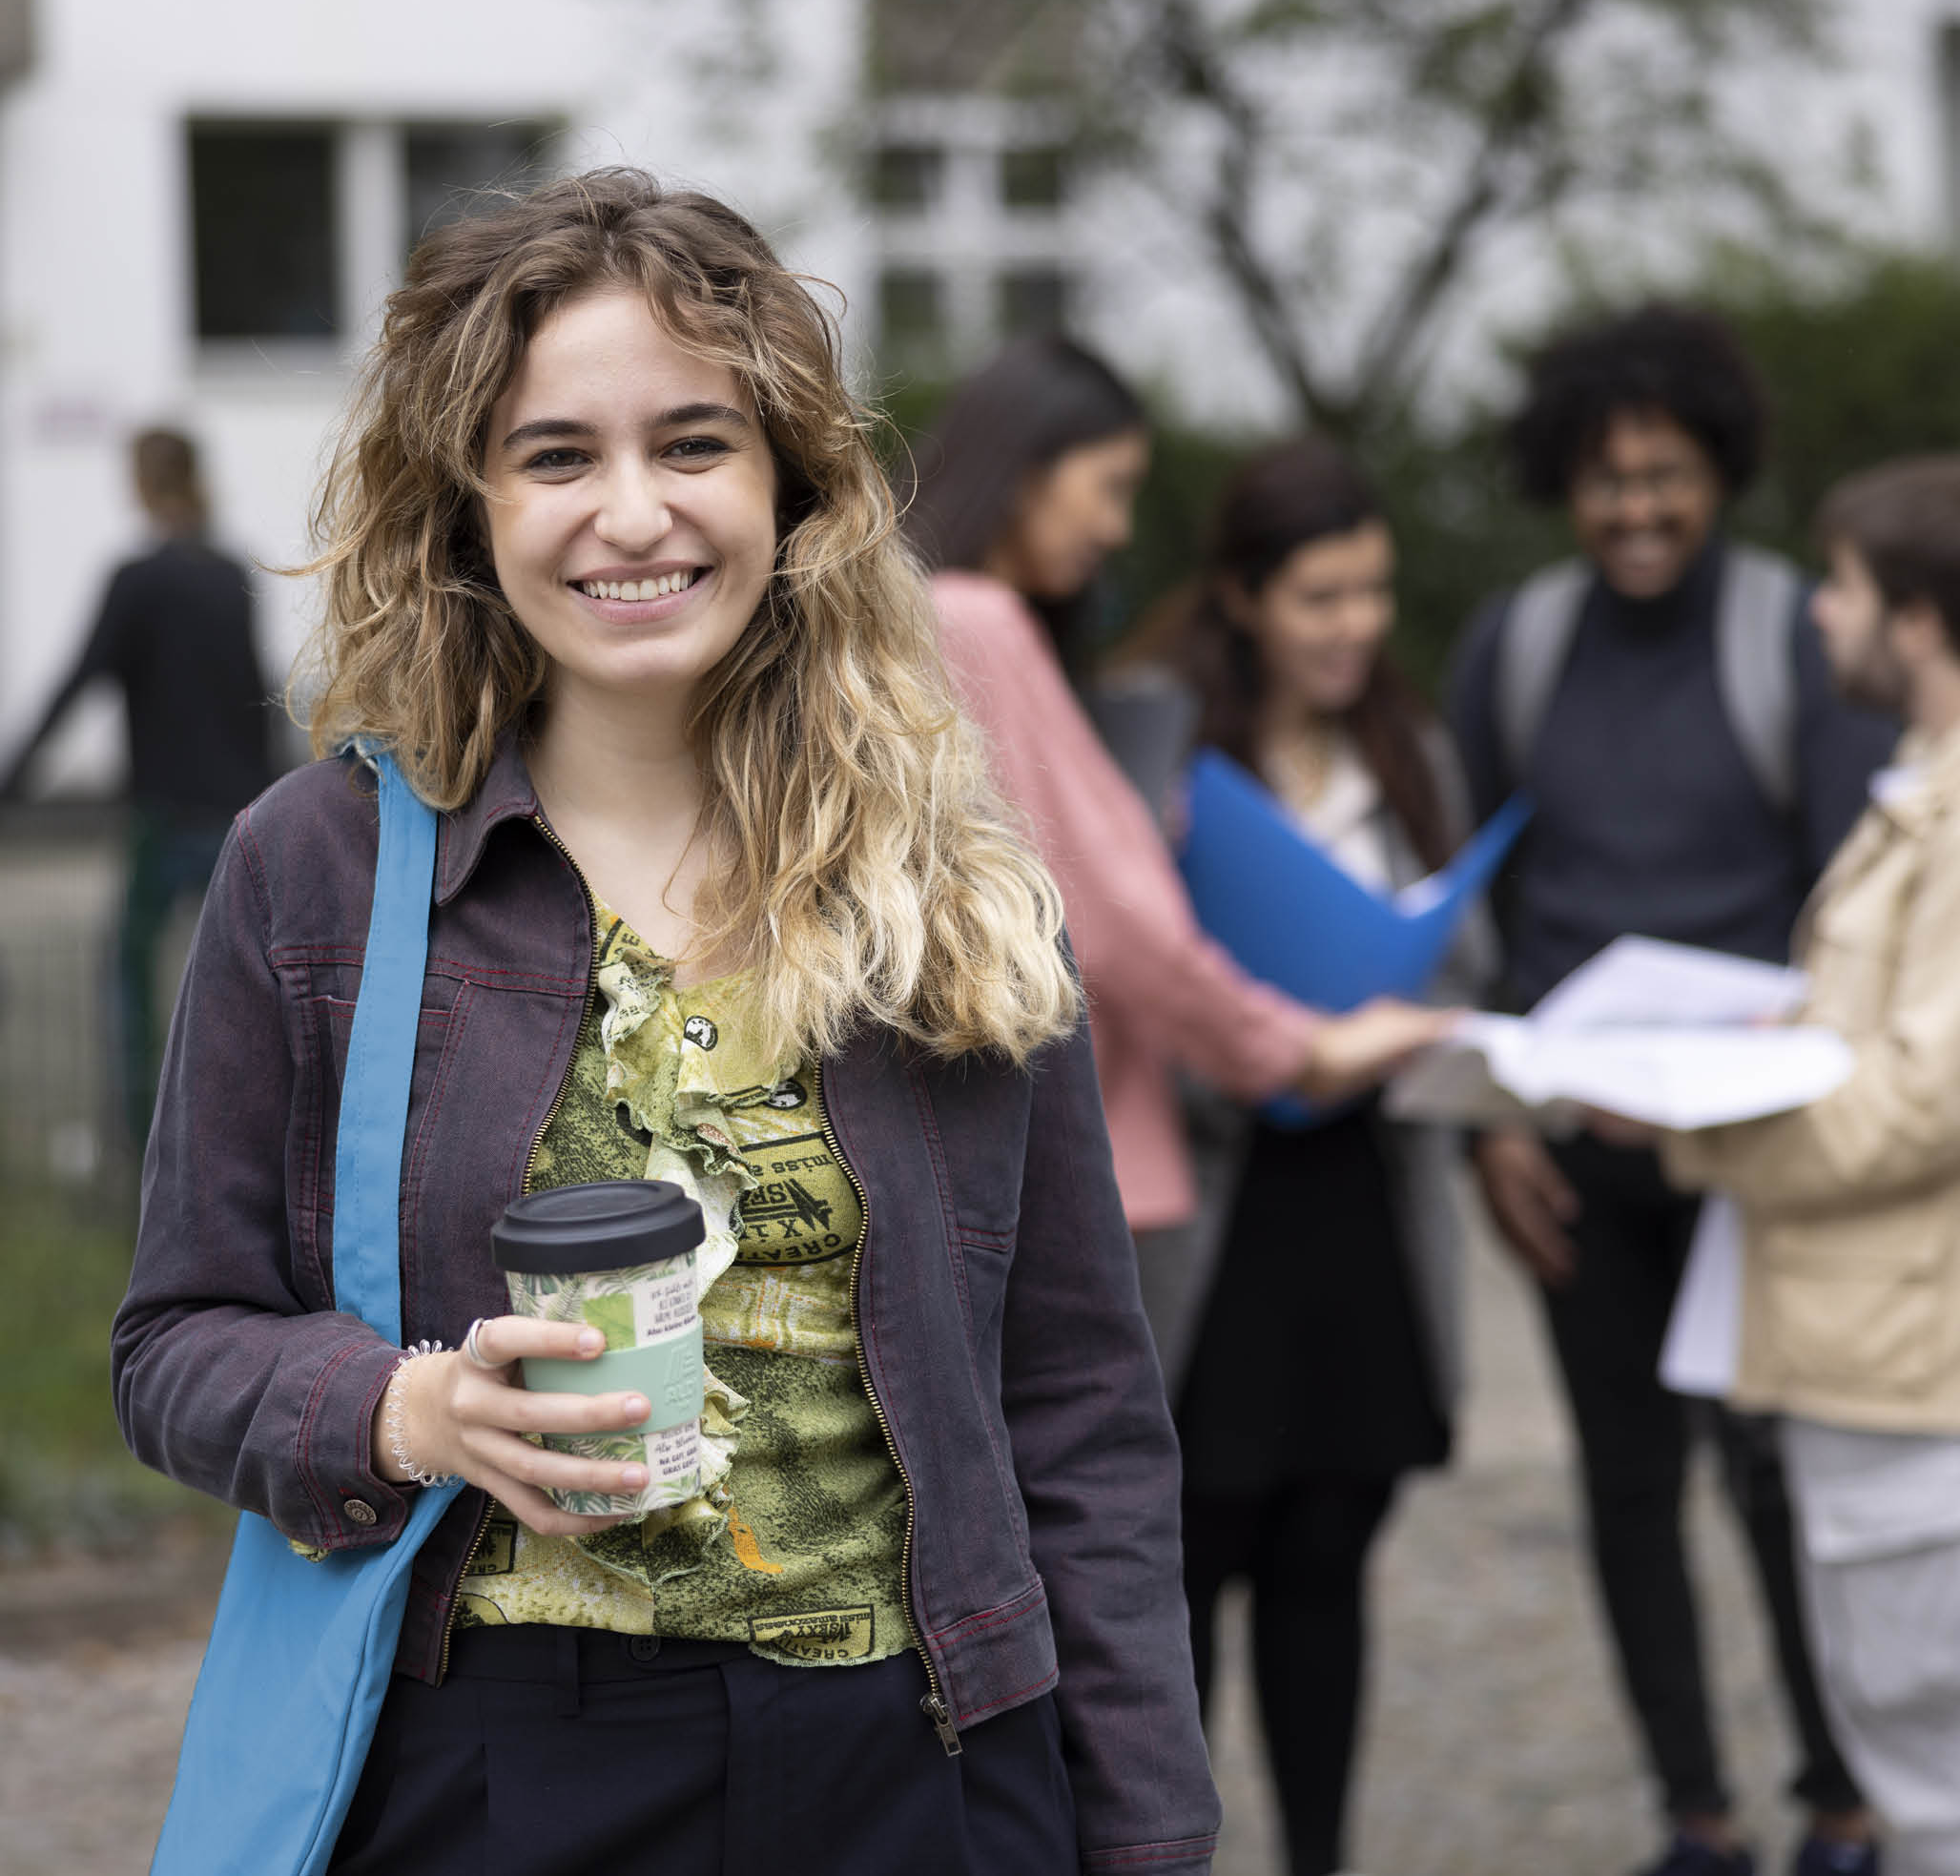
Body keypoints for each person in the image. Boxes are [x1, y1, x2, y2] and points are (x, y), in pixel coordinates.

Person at [111, 171, 1221, 1874]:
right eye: (558, 455)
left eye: (692, 443)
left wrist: (1147, 1830)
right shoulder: (317, 866)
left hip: (921, 1762)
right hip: (500, 1765)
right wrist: (405, 1411)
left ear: (790, 484)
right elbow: (177, 1337)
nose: (631, 513)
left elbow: (1077, 1403)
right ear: (468, 500)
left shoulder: (937, 873)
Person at [1447, 303, 1890, 1876]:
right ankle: (1690, 1814)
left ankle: (1840, 1800)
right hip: (1579, 1160)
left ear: (1720, 472)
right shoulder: (1518, 644)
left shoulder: (1788, 641)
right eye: (1604, 477)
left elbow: (1853, 902)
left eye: (1666, 473)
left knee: (1780, 1484)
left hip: (1751, 1160)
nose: (1635, 506)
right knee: (1624, 1489)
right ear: (1562, 484)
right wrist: (1489, 1134)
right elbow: (1476, 914)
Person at [912, 336, 1453, 1257]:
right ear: (1026, 468)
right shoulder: (976, 619)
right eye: (1111, 486)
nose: (1118, 529)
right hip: (1059, 1153)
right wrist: (1296, 1050)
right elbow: (1109, 919)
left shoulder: (916, 613)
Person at [1645, 455, 1960, 1876]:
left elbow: (1926, 1095)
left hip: (1916, 1360)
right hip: (1881, 1349)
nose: (1815, 616)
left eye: (1838, 586)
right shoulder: (1925, 794)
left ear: (1913, 617)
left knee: (1942, 1776)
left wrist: (1686, 1114)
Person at [1161, 434, 1491, 1876]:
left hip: (1361, 1203)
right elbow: (1114, 981)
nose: (1353, 625)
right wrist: (1260, 1032)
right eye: (1319, 596)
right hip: (1210, 1217)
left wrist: (1416, 998)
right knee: (1182, 1566)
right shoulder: (1166, 755)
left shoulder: (1407, 749)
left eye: (1370, 593)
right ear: (1241, 596)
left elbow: (1465, 950)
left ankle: (1319, 1850)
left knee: (1326, 1559)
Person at [0, 427, 274, 1144]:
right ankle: (241, 1131)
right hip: (235, 813)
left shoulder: (139, 578)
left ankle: (141, 1141)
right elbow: (255, 693)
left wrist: (14, 775)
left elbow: (79, 678)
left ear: (143, 484)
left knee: (130, 977)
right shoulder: (227, 575)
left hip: (163, 812)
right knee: (238, 984)